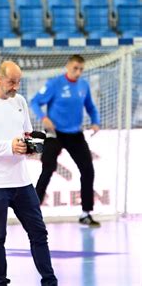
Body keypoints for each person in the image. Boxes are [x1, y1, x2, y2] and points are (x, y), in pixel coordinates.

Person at [0, 61, 57, 286]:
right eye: (11, 82)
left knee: (39, 232)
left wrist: (31, 146)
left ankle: (49, 281)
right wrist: (9, 146)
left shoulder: (20, 102)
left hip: (22, 181)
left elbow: (25, 133)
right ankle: (0, 283)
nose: (16, 87)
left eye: (18, 82)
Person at [30, 54, 101, 227]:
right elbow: (35, 102)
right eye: (75, 68)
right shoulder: (55, 84)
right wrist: (44, 118)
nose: (78, 72)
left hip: (75, 134)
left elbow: (91, 107)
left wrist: (95, 122)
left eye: (81, 69)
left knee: (88, 170)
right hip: (54, 132)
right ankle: (32, 212)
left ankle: (86, 214)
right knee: (48, 167)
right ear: (68, 67)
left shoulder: (84, 86)